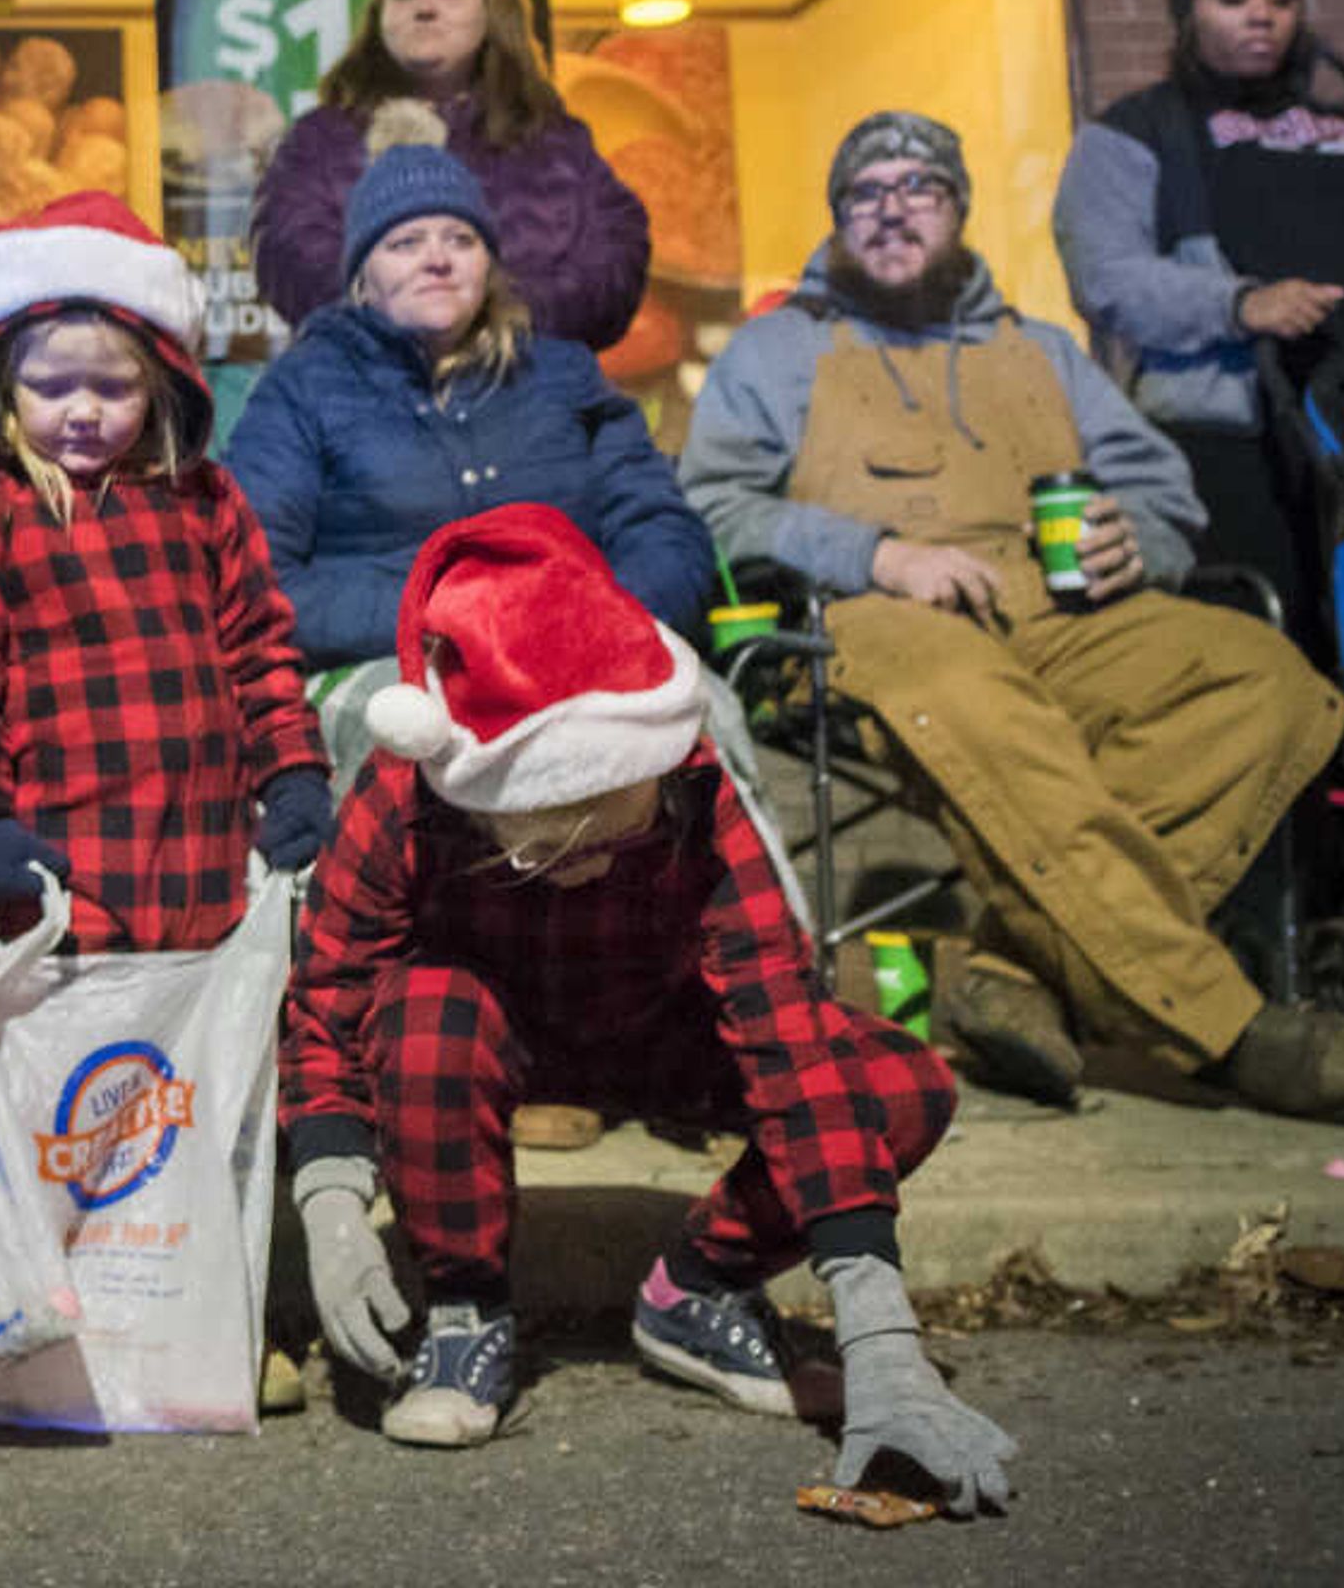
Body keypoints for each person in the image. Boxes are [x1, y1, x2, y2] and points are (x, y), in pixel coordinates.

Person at [286, 506, 1012, 1510]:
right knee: (422, 1011)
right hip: (482, 1036)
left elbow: (790, 1038)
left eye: (612, 838)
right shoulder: (406, 792)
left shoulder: (696, 789)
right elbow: (330, 999)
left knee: (898, 1080)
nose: (583, 869)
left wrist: (878, 1323)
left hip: (667, 1030)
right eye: (543, 846)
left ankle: (696, 1289)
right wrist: (329, 1199)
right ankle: (466, 1308)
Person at [684, 112, 1344, 1121]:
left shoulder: (1044, 349)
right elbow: (712, 499)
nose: (892, 211)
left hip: (1062, 604)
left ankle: (1012, 966)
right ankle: (1227, 1029)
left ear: (959, 209)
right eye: (866, 194)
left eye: (918, 189)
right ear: (841, 221)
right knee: (972, 696)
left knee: (1270, 679)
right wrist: (876, 552)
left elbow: (1159, 484)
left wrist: (1138, 538)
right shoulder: (778, 347)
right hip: (872, 617)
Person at [0, 195, 329, 954]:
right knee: (77, 1066)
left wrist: (292, 770)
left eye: (113, 388)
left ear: (161, 382)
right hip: (55, 870)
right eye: (52, 385)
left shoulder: (204, 496)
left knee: (192, 1065)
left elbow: (260, 649)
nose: (83, 412)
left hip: (205, 860)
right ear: (6, 382)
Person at [1054, 0, 1344, 637]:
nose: (1261, 15)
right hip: (1228, 433)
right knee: (1267, 636)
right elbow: (1105, 276)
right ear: (1188, 11)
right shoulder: (1135, 129)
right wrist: (1239, 304)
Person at [227, 113, 717, 680]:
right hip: (393, 665)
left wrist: (592, 617)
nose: (438, 258)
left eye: (461, 239)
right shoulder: (302, 388)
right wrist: (443, 619)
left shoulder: (565, 376)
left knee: (697, 729)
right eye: (405, 242)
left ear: (488, 265)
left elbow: (666, 534)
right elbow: (259, 580)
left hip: (585, 645)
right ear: (362, 276)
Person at [245, 0, 649, 347]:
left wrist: (491, 321)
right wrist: (410, 318)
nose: (424, 6)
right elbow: (287, 255)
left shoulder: (555, 140)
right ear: (379, 15)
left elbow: (615, 262)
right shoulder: (320, 141)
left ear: (493, 10)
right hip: (369, 396)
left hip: (530, 395)